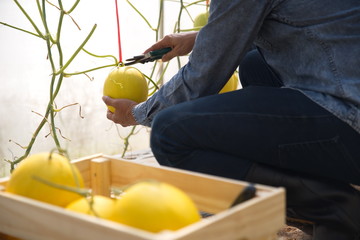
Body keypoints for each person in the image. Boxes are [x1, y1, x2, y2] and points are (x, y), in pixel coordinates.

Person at [102, 0, 360, 239]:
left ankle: (337, 208)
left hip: (350, 116)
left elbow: (202, 76)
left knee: (169, 131)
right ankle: (317, 183)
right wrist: (198, 38)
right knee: (254, 65)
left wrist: (137, 113)